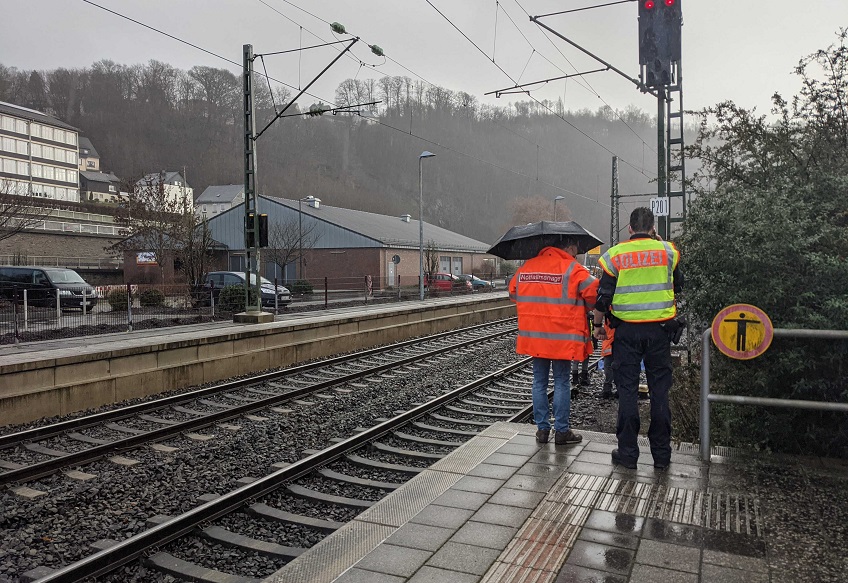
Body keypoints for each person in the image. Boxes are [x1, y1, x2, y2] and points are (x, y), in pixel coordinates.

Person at [593, 208, 683, 470]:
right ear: (653, 227)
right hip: (659, 332)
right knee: (660, 393)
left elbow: (603, 297)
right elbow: (678, 285)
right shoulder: (667, 251)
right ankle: (662, 456)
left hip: (626, 333)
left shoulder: (616, 255)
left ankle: (628, 454)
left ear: (629, 228)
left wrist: (597, 326)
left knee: (628, 393)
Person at [509, 236, 599, 445]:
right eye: (575, 250)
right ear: (568, 247)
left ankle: (542, 430)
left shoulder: (527, 267)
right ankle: (561, 431)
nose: (576, 254)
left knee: (539, 382)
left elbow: (513, 292)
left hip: (536, 338)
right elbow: (595, 293)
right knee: (562, 381)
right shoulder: (573, 269)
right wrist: (584, 306)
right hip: (563, 337)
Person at [599, 319, 618, 399]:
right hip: (618, 343)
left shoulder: (609, 314)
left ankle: (607, 390)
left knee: (608, 367)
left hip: (610, 342)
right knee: (618, 367)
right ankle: (620, 389)